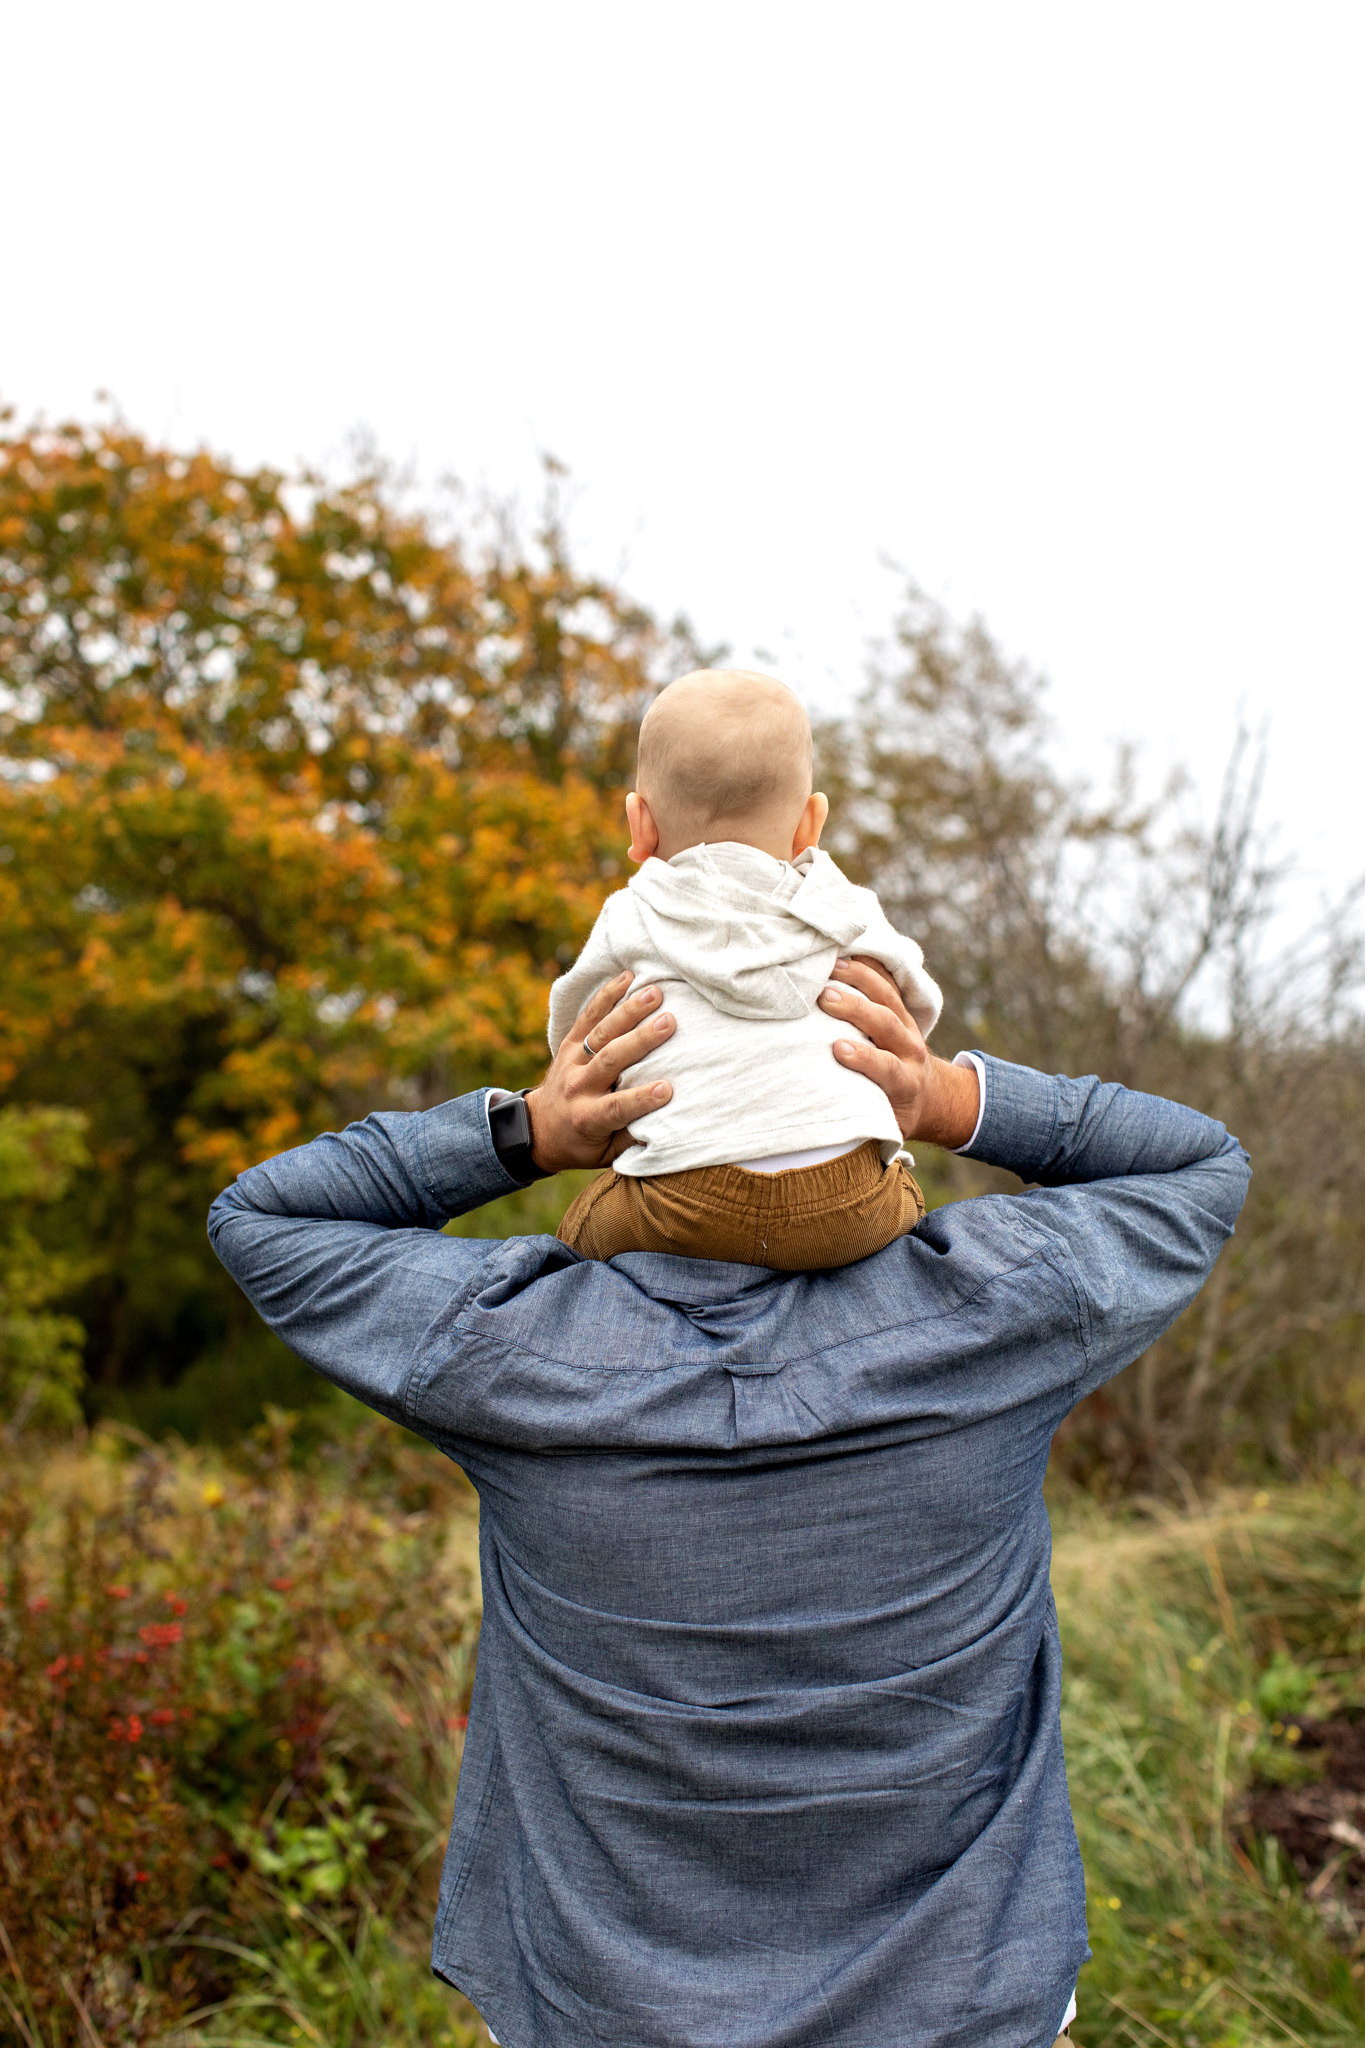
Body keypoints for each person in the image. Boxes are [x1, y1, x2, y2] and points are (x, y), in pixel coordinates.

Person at [208, 964, 1249, 2048]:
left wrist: (529, 1132)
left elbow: (265, 1215)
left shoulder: (511, 1350)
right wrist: (952, 1099)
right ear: (854, 1120)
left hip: (607, 2015)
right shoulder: (995, 1312)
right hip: (964, 2004)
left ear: (642, 1136)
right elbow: (1199, 1163)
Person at [550, 668, 944, 1270]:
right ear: (810, 823)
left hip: (683, 1196)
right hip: (849, 1196)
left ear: (640, 824)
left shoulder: (633, 912)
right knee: (908, 1200)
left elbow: (576, 1032)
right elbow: (914, 1006)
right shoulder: (845, 905)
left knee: (579, 1235)